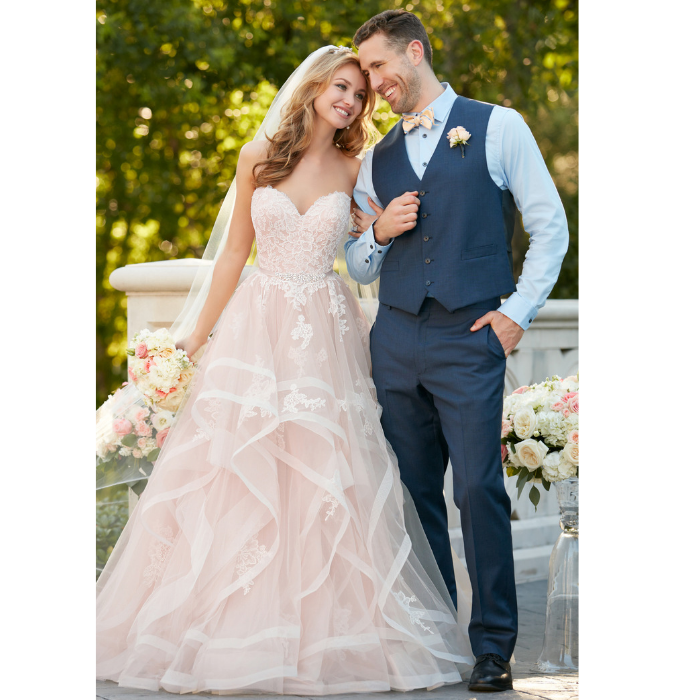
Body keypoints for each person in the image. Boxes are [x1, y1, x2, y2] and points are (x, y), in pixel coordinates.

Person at [96, 46, 475, 695]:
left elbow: (366, 252)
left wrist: (376, 228)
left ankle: (327, 628)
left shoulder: (358, 166)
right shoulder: (258, 157)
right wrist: (192, 337)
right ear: (314, 86)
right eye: (342, 87)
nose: (350, 100)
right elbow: (233, 254)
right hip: (258, 325)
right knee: (237, 471)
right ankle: (224, 628)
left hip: (326, 333)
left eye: (359, 93)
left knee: (328, 473)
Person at [345, 10, 570, 693]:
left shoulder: (498, 125)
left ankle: (493, 646)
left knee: (477, 489)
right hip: (396, 339)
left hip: (471, 336)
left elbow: (549, 225)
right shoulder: (375, 158)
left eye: (382, 67)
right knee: (414, 497)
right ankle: (437, 638)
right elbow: (357, 263)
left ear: (415, 52)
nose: (375, 83)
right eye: (367, 74)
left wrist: (515, 314)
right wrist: (379, 232)